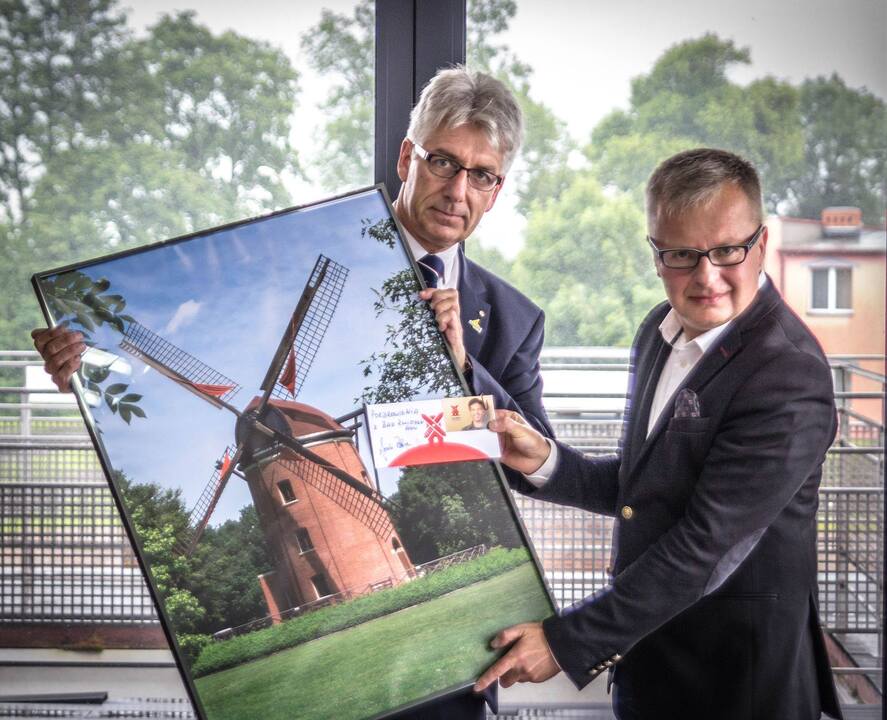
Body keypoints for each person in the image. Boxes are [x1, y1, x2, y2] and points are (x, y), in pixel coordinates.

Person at [32, 66, 553, 719]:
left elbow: (535, 468)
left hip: (453, 686)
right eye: (443, 161)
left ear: (497, 190)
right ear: (406, 158)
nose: (457, 190)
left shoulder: (511, 317)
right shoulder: (300, 255)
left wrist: (465, 370)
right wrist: (92, 367)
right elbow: (174, 327)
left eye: (482, 175)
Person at [474, 148, 844, 720]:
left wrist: (565, 642)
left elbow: (704, 545)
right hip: (651, 665)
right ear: (655, 254)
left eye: (728, 250)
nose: (706, 276)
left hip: (738, 686)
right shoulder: (658, 330)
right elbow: (647, 489)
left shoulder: (788, 372)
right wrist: (546, 460)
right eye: (681, 254)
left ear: (761, 244)